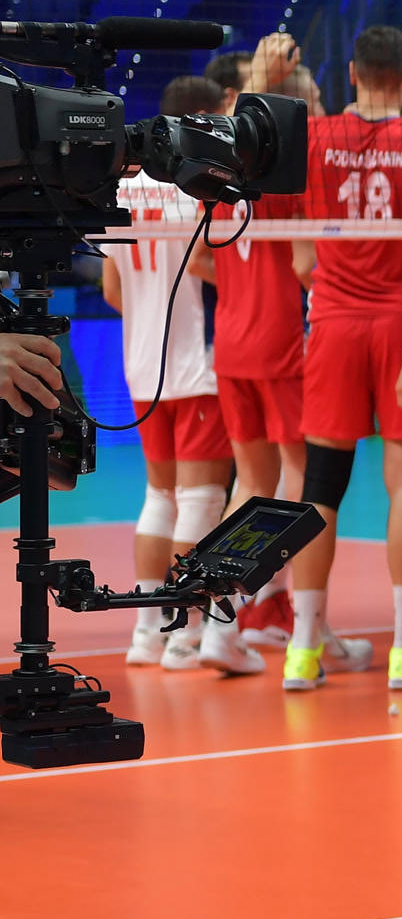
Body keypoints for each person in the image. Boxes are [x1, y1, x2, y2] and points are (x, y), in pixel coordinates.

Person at [282, 27, 402, 692]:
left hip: (336, 323)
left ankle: (302, 649)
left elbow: (298, 259)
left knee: (320, 487)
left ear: (351, 72)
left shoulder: (313, 140)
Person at [105, 76, 239, 674]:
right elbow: (214, 268)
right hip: (198, 367)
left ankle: (145, 633)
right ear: (201, 122)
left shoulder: (124, 190)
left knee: (158, 495)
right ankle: (185, 635)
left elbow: (113, 291)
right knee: (201, 498)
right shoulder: (198, 191)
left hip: (142, 366)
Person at [195, 36, 309, 657]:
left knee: (251, 483)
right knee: (297, 477)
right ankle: (236, 611)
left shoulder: (214, 175)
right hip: (279, 343)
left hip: (232, 342)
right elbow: (309, 266)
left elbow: (203, 260)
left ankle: (219, 618)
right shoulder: (284, 177)